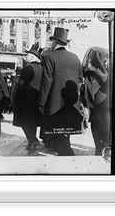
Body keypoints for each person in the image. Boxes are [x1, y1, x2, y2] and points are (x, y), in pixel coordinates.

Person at [39, 27, 83, 156]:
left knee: (57, 127)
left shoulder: (50, 57)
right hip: (72, 102)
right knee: (66, 128)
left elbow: (46, 81)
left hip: (54, 101)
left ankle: (66, 152)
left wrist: (41, 102)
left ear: (54, 43)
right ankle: (60, 147)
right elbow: (80, 79)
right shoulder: (75, 58)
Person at [13, 44, 44, 153]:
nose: (26, 57)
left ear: (31, 57)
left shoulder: (27, 68)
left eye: (27, 55)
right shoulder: (42, 69)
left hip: (26, 100)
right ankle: (31, 142)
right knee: (33, 122)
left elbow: (21, 85)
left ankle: (33, 140)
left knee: (25, 123)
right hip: (38, 99)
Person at [81, 46, 110, 155]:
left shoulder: (91, 74)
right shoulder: (106, 73)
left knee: (101, 144)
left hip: (100, 114)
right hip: (103, 113)